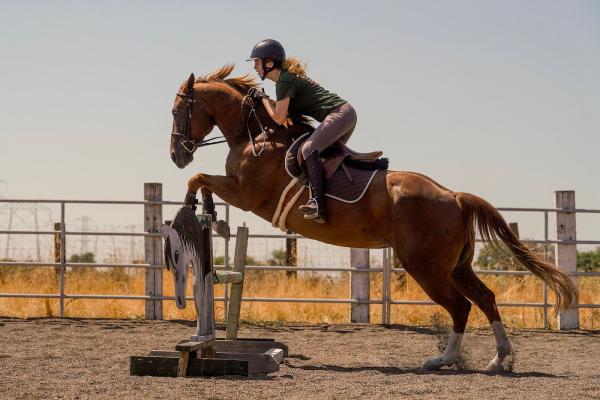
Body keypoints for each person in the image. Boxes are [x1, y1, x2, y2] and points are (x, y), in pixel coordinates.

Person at [247, 39, 357, 224]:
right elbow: (284, 115)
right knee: (324, 159)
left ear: (269, 63)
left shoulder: (284, 80)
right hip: (345, 114)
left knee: (308, 150)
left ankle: (318, 205)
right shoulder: (286, 78)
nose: (255, 67)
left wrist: (263, 98)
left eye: (257, 62)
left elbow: (278, 118)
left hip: (340, 114)